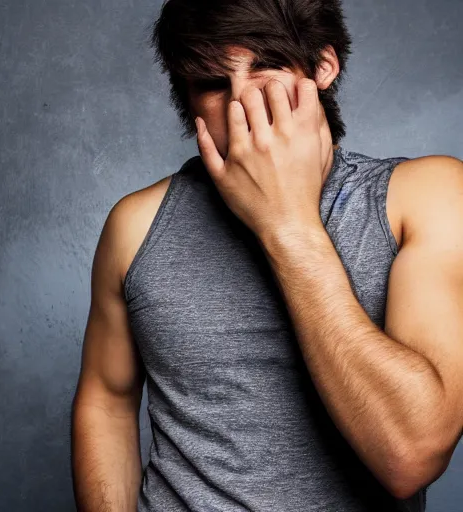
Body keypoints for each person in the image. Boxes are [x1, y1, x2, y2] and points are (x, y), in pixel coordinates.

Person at [71, 1, 463, 511]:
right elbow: (108, 401)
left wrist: (286, 220)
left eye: (266, 68)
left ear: (323, 67)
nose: (239, 105)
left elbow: (409, 456)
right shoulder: (135, 224)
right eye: (212, 83)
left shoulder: (429, 196)